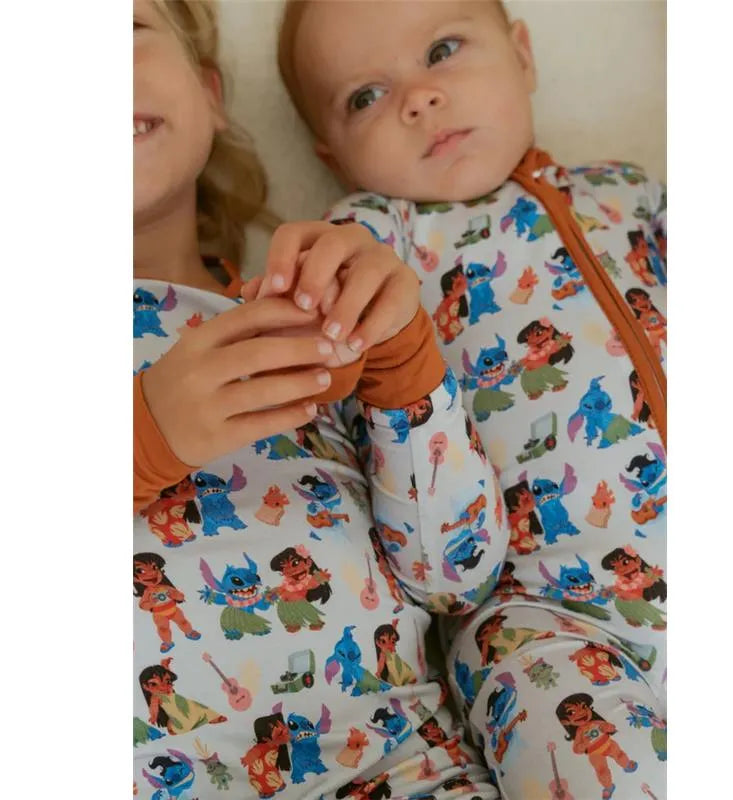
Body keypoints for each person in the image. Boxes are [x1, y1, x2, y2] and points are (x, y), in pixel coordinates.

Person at [266, 1, 667, 797]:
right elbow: (441, 568)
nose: (418, 98)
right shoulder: (375, 248)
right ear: (333, 157)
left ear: (523, 55)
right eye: (365, 96)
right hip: (552, 620)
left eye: (443, 49)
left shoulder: (628, 193)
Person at [133, 2, 510, 799]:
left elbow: (456, 577)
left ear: (208, 95)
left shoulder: (309, 307)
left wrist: (400, 361)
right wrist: (140, 441)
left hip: (403, 768)